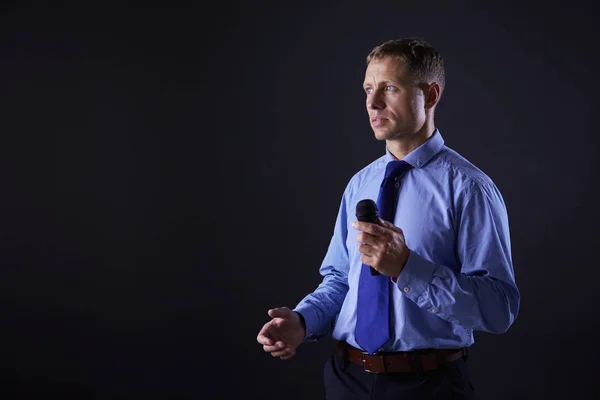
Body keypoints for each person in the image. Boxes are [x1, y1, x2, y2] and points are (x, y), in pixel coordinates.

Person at [256, 37, 520, 399]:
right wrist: (302, 322)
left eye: (389, 88)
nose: (372, 102)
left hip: (429, 385)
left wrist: (407, 267)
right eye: (367, 89)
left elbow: (499, 307)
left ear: (430, 96)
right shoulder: (360, 183)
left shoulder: (470, 189)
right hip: (347, 380)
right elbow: (341, 280)